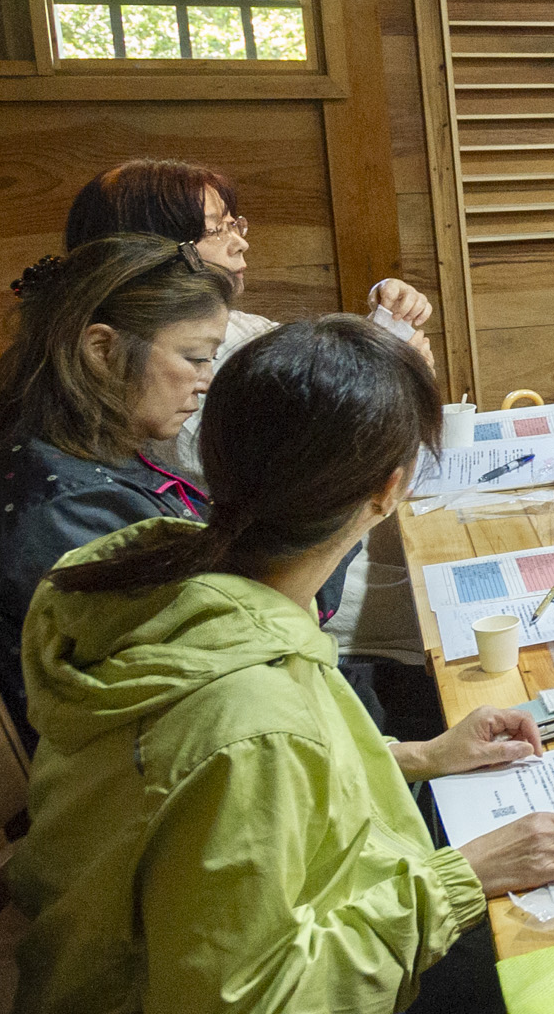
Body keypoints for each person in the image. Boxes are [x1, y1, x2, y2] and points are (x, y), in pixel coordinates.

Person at [6, 314, 554, 1014]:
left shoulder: (177, 591)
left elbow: (248, 802)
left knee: (530, 929)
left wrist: (424, 755)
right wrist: (461, 879)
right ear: (389, 488)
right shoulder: (246, 713)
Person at [66, 159, 435, 717]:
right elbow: (329, 459)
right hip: (314, 607)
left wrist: (381, 332)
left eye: (236, 222)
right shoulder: (164, 389)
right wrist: (394, 375)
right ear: (151, 247)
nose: (240, 242)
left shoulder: (220, 325)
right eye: (218, 228)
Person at [0, 235, 236, 741]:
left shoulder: (54, 447)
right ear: (101, 349)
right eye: (195, 357)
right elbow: (189, 670)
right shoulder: (66, 507)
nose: (206, 381)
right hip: (125, 773)